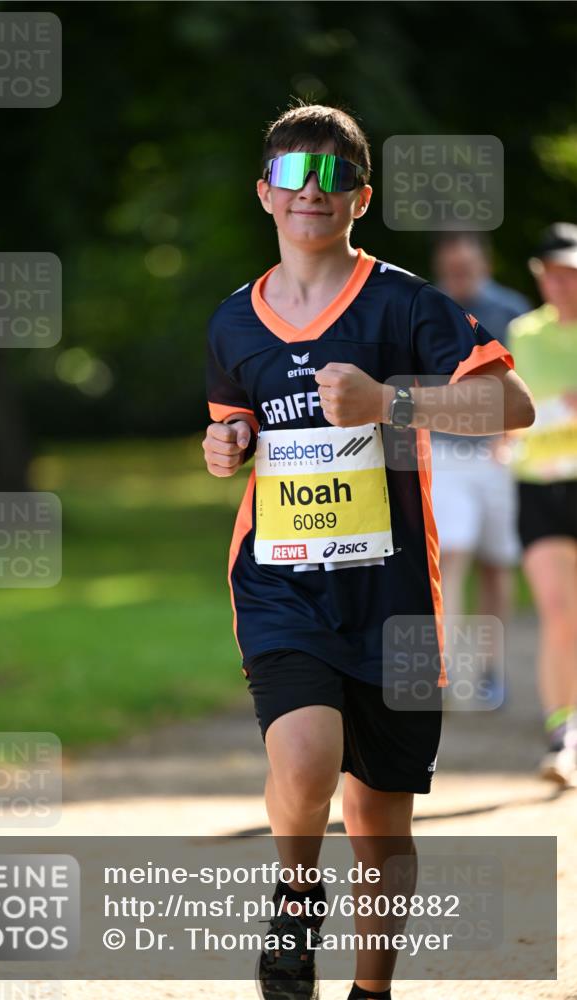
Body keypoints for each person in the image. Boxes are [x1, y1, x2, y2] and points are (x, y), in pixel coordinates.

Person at [202, 102, 534, 1000]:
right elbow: (231, 429)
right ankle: (296, 892)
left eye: (332, 178)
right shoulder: (235, 322)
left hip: (393, 598)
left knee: (380, 818)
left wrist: (392, 404)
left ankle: (369, 990)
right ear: (264, 193)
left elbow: (512, 410)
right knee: (304, 759)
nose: (311, 193)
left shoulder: (404, 305)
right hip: (282, 583)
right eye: (292, 177)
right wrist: (221, 447)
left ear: (361, 197)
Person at [430, 233, 530, 707]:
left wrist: (512, 441)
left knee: (496, 564)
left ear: (483, 264)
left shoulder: (511, 311)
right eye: (452, 271)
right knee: (453, 554)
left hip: (497, 454)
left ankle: (491, 669)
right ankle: (447, 666)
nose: (459, 279)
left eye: (466, 269)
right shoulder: (425, 310)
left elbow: (528, 388)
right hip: (446, 454)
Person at [507, 222, 577, 787]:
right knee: (557, 610)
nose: (563, 283)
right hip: (539, 486)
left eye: (572, 273)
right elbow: (516, 409)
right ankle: (564, 734)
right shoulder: (522, 333)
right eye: (553, 274)